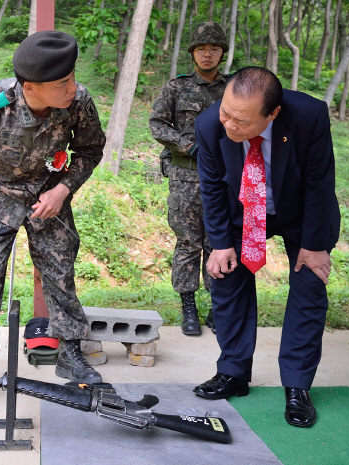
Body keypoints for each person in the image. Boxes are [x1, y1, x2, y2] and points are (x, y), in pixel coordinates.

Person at [0, 31, 106, 425]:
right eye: (62, 83)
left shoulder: (77, 101)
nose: (73, 87)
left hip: (50, 194)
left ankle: (70, 353)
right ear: (30, 87)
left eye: (72, 77)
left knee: (61, 274)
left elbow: (90, 149)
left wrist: (63, 189)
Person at [193, 67, 341, 427]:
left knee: (309, 288)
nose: (229, 125)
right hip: (241, 209)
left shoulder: (309, 116)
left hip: (300, 211)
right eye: (226, 112)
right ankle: (233, 373)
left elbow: (321, 184)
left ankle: (297, 386)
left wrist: (315, 245)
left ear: (272, 113)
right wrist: (221, 245)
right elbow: (211, 188)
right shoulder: (210, 123)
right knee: (227, 281)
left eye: (241, 121)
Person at [149, 22, 230, 336]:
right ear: (193, 53)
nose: (207, 54)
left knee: (218, 242)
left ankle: (217, 308)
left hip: (223, 178)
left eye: (213, 49)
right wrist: (189, 147)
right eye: (201, 49)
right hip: (186, 177)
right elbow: (158, 124)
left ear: (222, 52)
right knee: (188, 243)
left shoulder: (233, 88)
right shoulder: (176, 87)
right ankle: (188, 309)